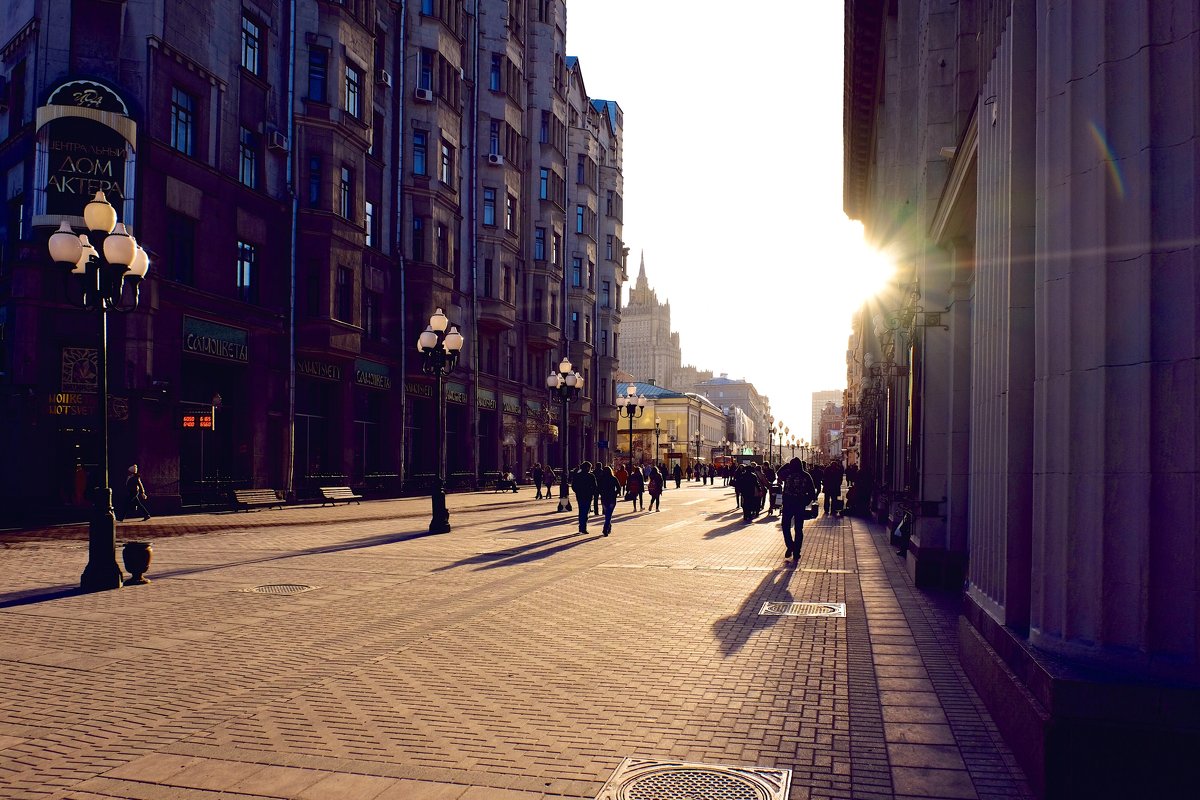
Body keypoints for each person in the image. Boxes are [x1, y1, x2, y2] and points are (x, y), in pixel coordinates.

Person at [778, 457, 817, 561]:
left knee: (785, 526)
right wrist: (805, 501)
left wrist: (786, 465)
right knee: (798, 529)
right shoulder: (806, 475)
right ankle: (796, 552)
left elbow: (778, 473)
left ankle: (790, 546)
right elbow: (812, 492)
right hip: (800, 505)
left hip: (788, 504)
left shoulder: (787, 473)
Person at [570, 461, 597, 534]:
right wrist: (592, 493)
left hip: (580, 495)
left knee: (581, 510)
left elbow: (573, 485)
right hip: (588, 495)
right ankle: (583, 527)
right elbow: (595, 487)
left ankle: (581, 526)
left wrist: (577, 491)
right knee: (585, 511)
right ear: (588, 468)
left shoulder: (577, 475)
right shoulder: (591, 476)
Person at [597, 465, 621, 535]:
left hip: (604, 498)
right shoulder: (613, 478)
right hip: (612, 498)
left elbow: (598, 488)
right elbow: (619, 488)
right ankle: (606, 528)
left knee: (607, 514)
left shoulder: (601, 479)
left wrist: (601, 493)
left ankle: (608, 527)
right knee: (609, 514)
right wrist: (615, 493)